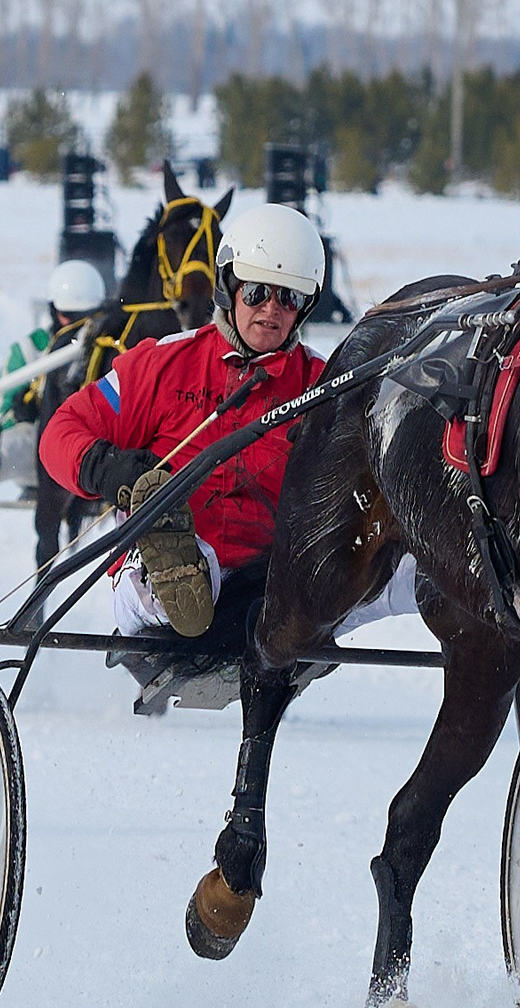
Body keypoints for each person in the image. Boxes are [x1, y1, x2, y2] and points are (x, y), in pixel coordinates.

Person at [40, 201, 414, 705]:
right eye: (258, 291)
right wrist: (110, 468)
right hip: (186, 564)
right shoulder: (162, 363)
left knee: (409, 567)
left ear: (304, 307)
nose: (271, 309)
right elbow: (62, 429)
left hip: (283, 584)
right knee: (191, 570)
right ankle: (169, 573)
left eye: (289, 298)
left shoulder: (326, 386)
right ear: (229, 287)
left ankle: (491, 588)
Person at [0, 258, 107, 495]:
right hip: (43, 450)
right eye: (69, 316)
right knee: (19, 440)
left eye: (86, 316)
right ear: (54, 310)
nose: (79, 326)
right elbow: (1, 411)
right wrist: (20, 412)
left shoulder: (109, 350)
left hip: (97, 448)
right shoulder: (28, 350)